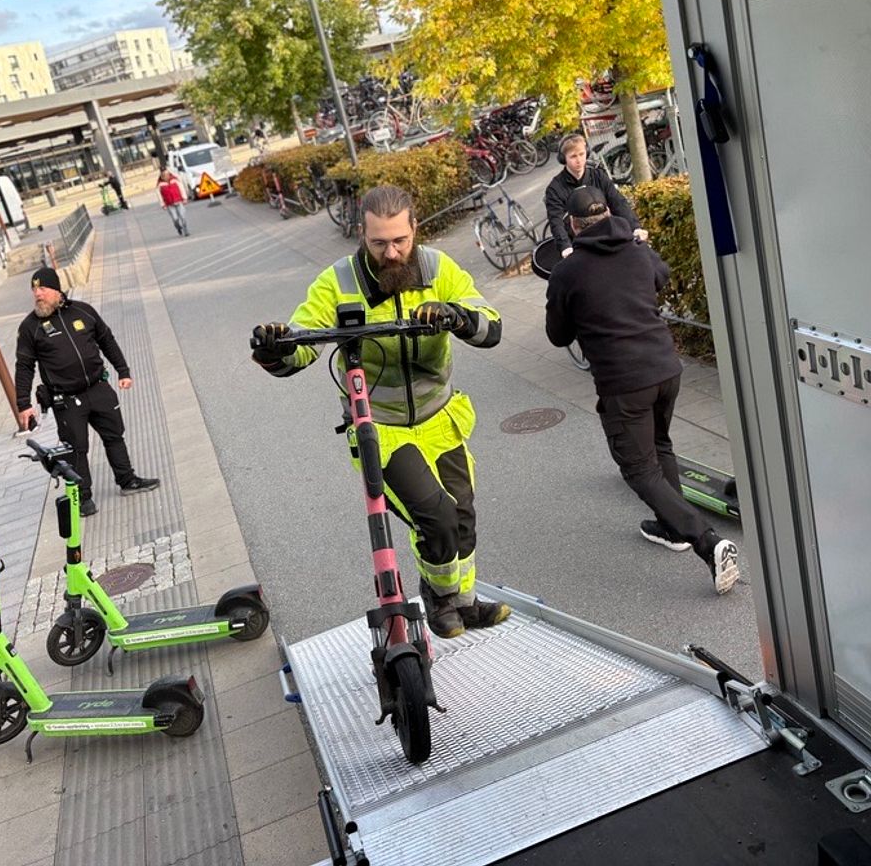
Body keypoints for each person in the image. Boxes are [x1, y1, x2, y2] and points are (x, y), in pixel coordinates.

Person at [250, 184, 510, 639]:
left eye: (400, 241)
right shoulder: (338, 282)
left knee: (462, 516)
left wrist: (457, 316)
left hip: (440, 417)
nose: (391, 253)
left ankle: (464, 603)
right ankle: (438, 598)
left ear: (415, 229)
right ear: (361, 234)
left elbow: (490, 323)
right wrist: (276, 348)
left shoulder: (438, 268)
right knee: (436, 517)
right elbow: (302, 343)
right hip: (382, 428)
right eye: (379, 243)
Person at [545, 185, 740, 594]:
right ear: (607, 216)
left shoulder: (568, 271)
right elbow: (661, 276)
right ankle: (672, 529)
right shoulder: (636, 249)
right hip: (666, 368)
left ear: (574, 225)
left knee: (638, 468)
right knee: (660, 445)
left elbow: (557, 334)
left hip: (624, 382)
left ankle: (708, 542)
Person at [14, 267, 160, 517]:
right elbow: (24, 366)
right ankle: (83, 498)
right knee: (76, 449)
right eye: (34, 290)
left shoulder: (83, 311)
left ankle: (127, 480)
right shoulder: (30, 327)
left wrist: (123, 371)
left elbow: (107, 340)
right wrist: (23, 404)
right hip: (66, 399)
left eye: (43, 289)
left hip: (98, 388)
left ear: (57, 290)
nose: (37, 294)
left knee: (115, 436)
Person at [544, 132, 646, 258]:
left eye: (581, 154)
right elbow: (556, 220)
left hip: (607, 236)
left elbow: (618, 202)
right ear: (563, 158)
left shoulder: (599, 176)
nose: (579, 160)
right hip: (579, 243)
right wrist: (565, 246)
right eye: (573, 156)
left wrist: (634, 227)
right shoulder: (555, 188)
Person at [156, 168, 189, 237]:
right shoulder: (160, 185)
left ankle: (186, 230)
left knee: (183, 217)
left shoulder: (175, 180)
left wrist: (185, 198)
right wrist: (163, 204)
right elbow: (159, 196)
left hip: (179, 201)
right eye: (164, 175)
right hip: (169, 204)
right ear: (162, 176)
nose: (166, 176)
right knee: (175, 218)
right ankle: (178, 227)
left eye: (167, 174)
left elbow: (181, 189)